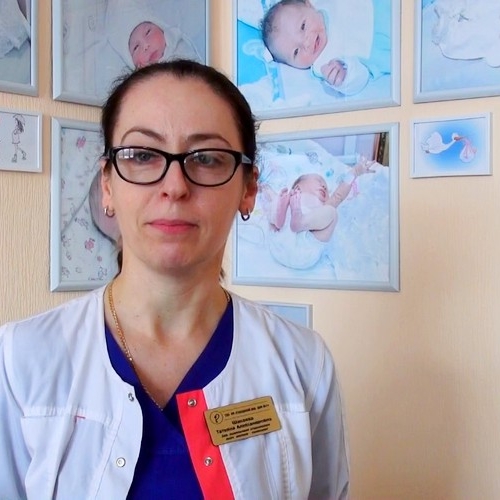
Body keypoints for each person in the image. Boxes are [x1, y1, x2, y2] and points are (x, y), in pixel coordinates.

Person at [0, 60, 349, 498]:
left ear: (248, 189)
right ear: (107, 184)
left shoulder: (303, 362)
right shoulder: (21, 358)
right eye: (143, 155)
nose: (175, 186)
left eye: (207, 159)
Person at [259, 159, 375, 269]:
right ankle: (280, 220)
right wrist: (264, 188)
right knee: (275, 201)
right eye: (319, 182)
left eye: (326, 187)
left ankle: (296, 221)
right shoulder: (289, 198)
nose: (324, 186)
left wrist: (355, 172)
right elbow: (270, 194)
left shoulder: (322, 206)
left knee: (331, 212)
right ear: (298, 187)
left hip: (304, 247)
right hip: (282, 238)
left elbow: (338, 195)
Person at [261, 0, 391, 96]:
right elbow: (361, 77)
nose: (306, 43)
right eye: (296, 51)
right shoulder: (325, 64)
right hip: (384, 49)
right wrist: (343, 77)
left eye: (303, 26)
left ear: (309, 5)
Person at [106, 0, 202, 69]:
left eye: (148, 32)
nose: (145, 46)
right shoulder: (143, 80)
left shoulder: (181, 47)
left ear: (161, 28)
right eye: (136, 47)